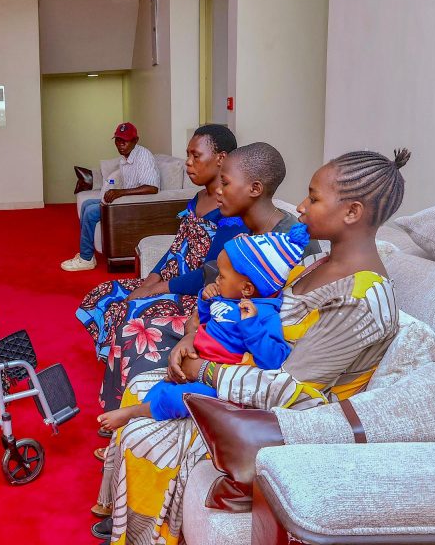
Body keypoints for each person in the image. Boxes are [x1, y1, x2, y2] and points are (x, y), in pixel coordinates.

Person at [90, 149, 409, 544]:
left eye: (314, 198)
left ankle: (144, 532)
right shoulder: (317, 264)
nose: (302, 207)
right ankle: (125, 511)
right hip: (251, 369)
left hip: (281, 414)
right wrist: (195, 338)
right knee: (143, 387)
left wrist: (204, 370)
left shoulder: (360, 298)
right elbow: (255, 309)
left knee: (146, 429)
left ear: (352, 212)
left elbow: (291, 390)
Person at [93, 142, 320, 420]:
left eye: (226, 183)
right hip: (215, 320)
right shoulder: (245, 228)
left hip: (239, 343)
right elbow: (213, 282)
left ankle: (136, 415)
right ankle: (124, 417)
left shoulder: (288, 243)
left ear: (255, 189)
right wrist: (193, 331)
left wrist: (200, 336)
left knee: (138, 332)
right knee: (131, 328)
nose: (219, 191)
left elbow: (278, 316)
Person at [96, 223, 309, 432]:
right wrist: (206, 301)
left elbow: (274, 359)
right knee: (158, 390)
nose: (217, 279)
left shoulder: (263, 314)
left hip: (215, 381)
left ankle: (134, 413)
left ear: (246, 288)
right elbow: (207, 320)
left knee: (178, 400)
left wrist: (251, 326)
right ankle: (134, 422)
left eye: (222, 276)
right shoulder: (230, 297)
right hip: (195, 361)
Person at [76, 125, 240, 362]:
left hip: (193, 294)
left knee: (127, 310)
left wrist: (153, 290)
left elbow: (209, 274)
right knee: (101, 294)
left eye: (196, 156)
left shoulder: (231, 210)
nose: (188, 163)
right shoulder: (198, 198)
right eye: (188, 155)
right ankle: (114, 358)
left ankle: (126, 365)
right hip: (167, 281)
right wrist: (150, 280)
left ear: (221, 158)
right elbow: (176, 247)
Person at [61, 122, 160, 271]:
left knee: (91, 212)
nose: (120, 144)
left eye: (125, 140)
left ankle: (86, 259)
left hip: (137, 205)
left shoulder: (144, 156)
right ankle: (88, 254)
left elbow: (152, 188)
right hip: (127, 200)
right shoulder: (125, 158)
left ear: (136, 140)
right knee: (87, 204)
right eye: (118, 140)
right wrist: (116, 191)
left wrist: (120, 193)